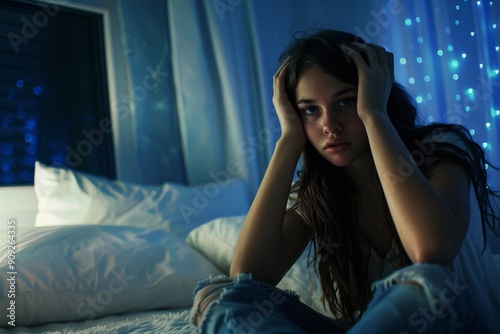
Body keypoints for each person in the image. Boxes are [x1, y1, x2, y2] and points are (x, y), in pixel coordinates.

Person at [189, 29, 500, 333]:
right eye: (310, 109)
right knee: (223, 296)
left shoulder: (437, 149)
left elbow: (431, 251)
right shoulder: (320, 190)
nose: (329, 125)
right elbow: (247, 275)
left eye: (345, 101)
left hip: (451, 320)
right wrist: (288, 140)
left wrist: (375, 114)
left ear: (375, 92)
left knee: (427, 283)